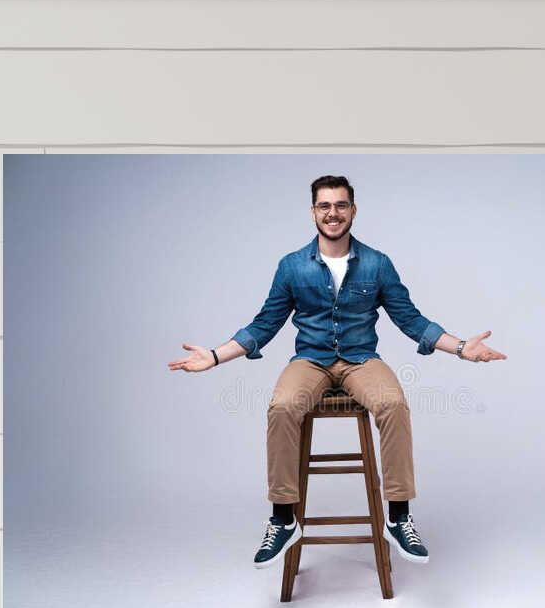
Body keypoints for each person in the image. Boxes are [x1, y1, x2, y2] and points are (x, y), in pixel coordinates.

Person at [168, 175, 507, 569]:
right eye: (325, 206)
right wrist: (214, 355)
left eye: (341, 205)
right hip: (309, 360)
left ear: (353, 211)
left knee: (394, 404)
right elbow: (265, 325)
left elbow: (410, 320)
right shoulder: (292, 266)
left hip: (362, 360)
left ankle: (398, 517)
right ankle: (283, 519)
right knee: (281, 407)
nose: (333, 213)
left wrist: (464, 349)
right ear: (313, 211)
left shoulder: (378, 263)